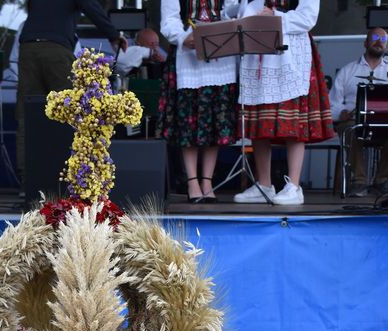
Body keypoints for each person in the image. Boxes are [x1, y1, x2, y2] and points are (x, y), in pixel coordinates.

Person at [233, 0, 333, 206]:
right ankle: (264, 185)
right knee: (261, 119)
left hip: (291, 51)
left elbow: (308, 18)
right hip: (259, 49)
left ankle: (294, 186)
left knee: (293, 120)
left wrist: (275, 17)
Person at [15, 0, 127, 182]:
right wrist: (114, 36)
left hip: (29, 47)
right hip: (57, 48)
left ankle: (27, 180)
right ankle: (69, 177)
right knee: (68, 111)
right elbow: (91, 7)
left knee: (27, 115)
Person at [160, 0, 239, 204]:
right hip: (188, 56)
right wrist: (182, 37)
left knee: (215, 122)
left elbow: (230, 10)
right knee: (189, 121)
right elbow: (169, 19)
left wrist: (226, 23)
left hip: (220, 54)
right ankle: (192, 181)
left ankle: (207, 181)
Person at [329, 27, 388, 197]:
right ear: (365, 43)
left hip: (383, 122)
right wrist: (341, 112)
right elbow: (332, 104)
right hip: (354, 120)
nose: (379, 42)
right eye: (375, 38)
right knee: (350, 130)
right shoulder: (348, 71)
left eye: (383, 39)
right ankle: (359, 181)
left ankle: (382, 180)